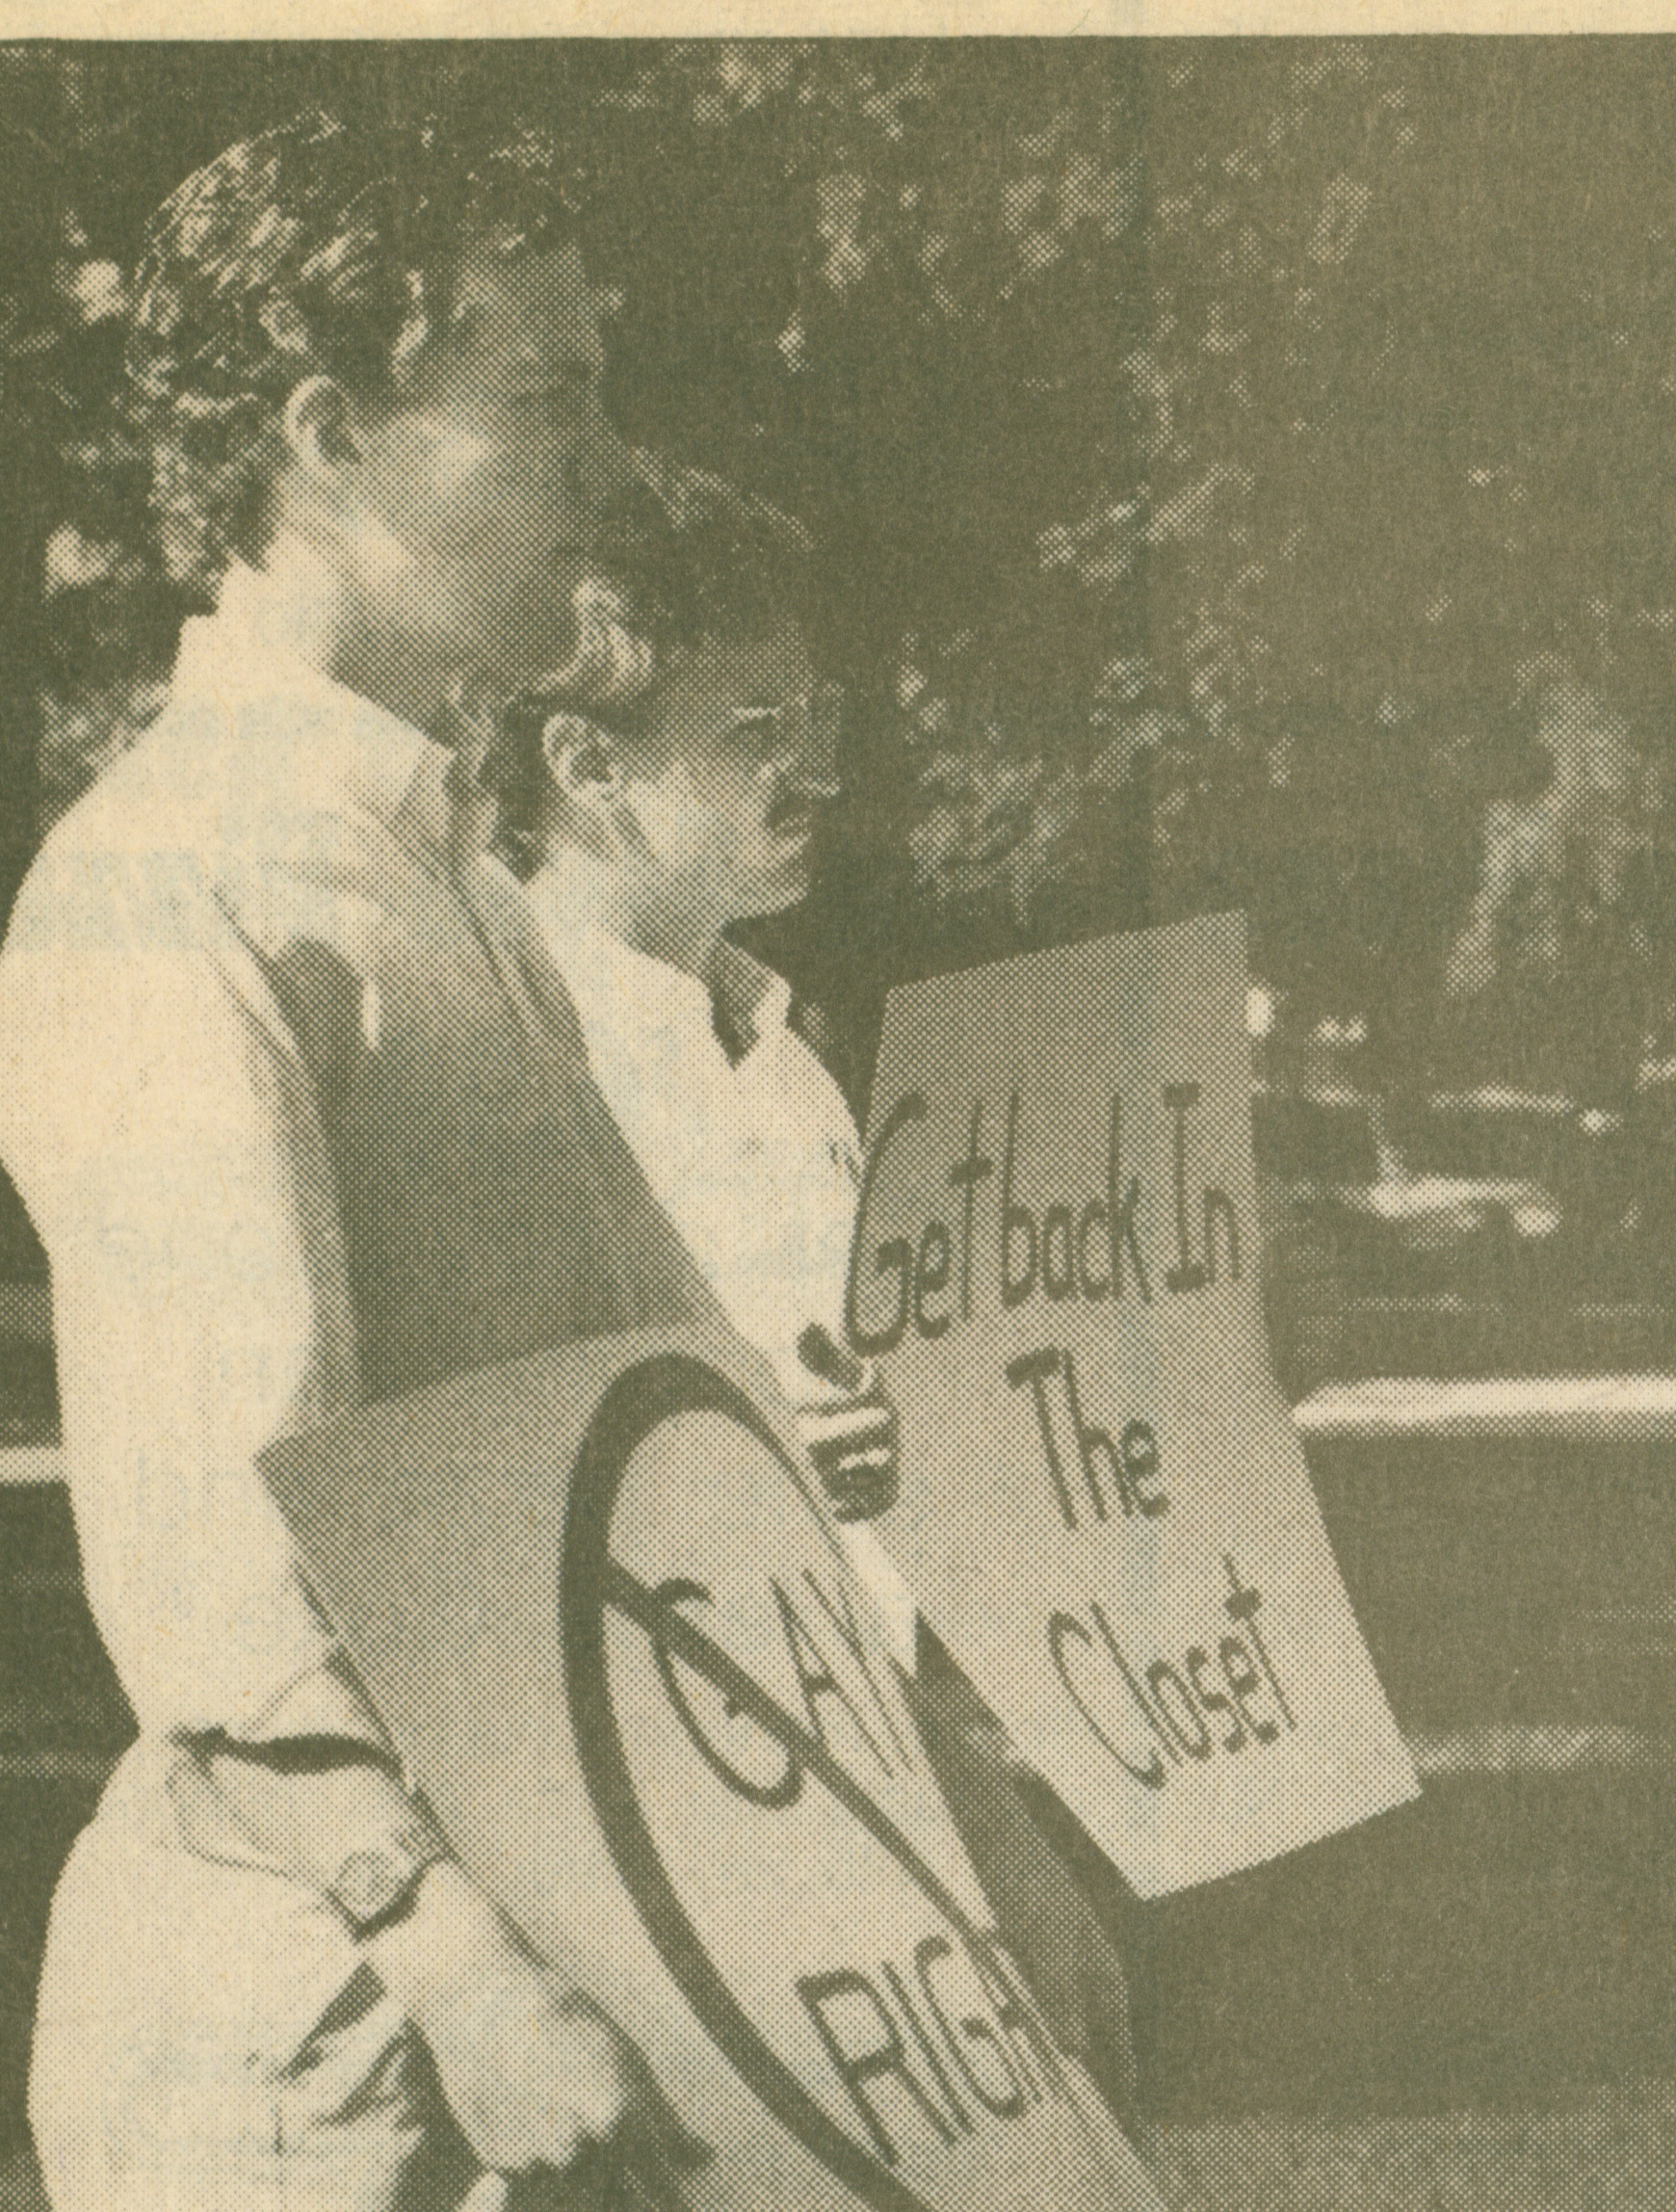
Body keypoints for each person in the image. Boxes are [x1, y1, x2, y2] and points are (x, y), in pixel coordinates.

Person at [0, 113, 710, 2210]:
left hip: (553, 1990)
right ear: (325, 437)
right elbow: (215, 1546)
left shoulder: (441, 861)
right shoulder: (171, 882)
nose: (609, 461)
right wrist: (458, 1966)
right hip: (331, 2049)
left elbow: (658, 1417)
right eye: (545, 400)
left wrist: (949, 1817)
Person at [484, 449, 1138, 2111]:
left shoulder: (785, 1064)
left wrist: (985, 1830)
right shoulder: (499, 1059)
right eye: (758, 731)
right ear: (589, 766)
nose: (818, 771)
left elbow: (866, 1526)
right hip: (613, 1890)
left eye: (820, 719)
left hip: (841, 1835)